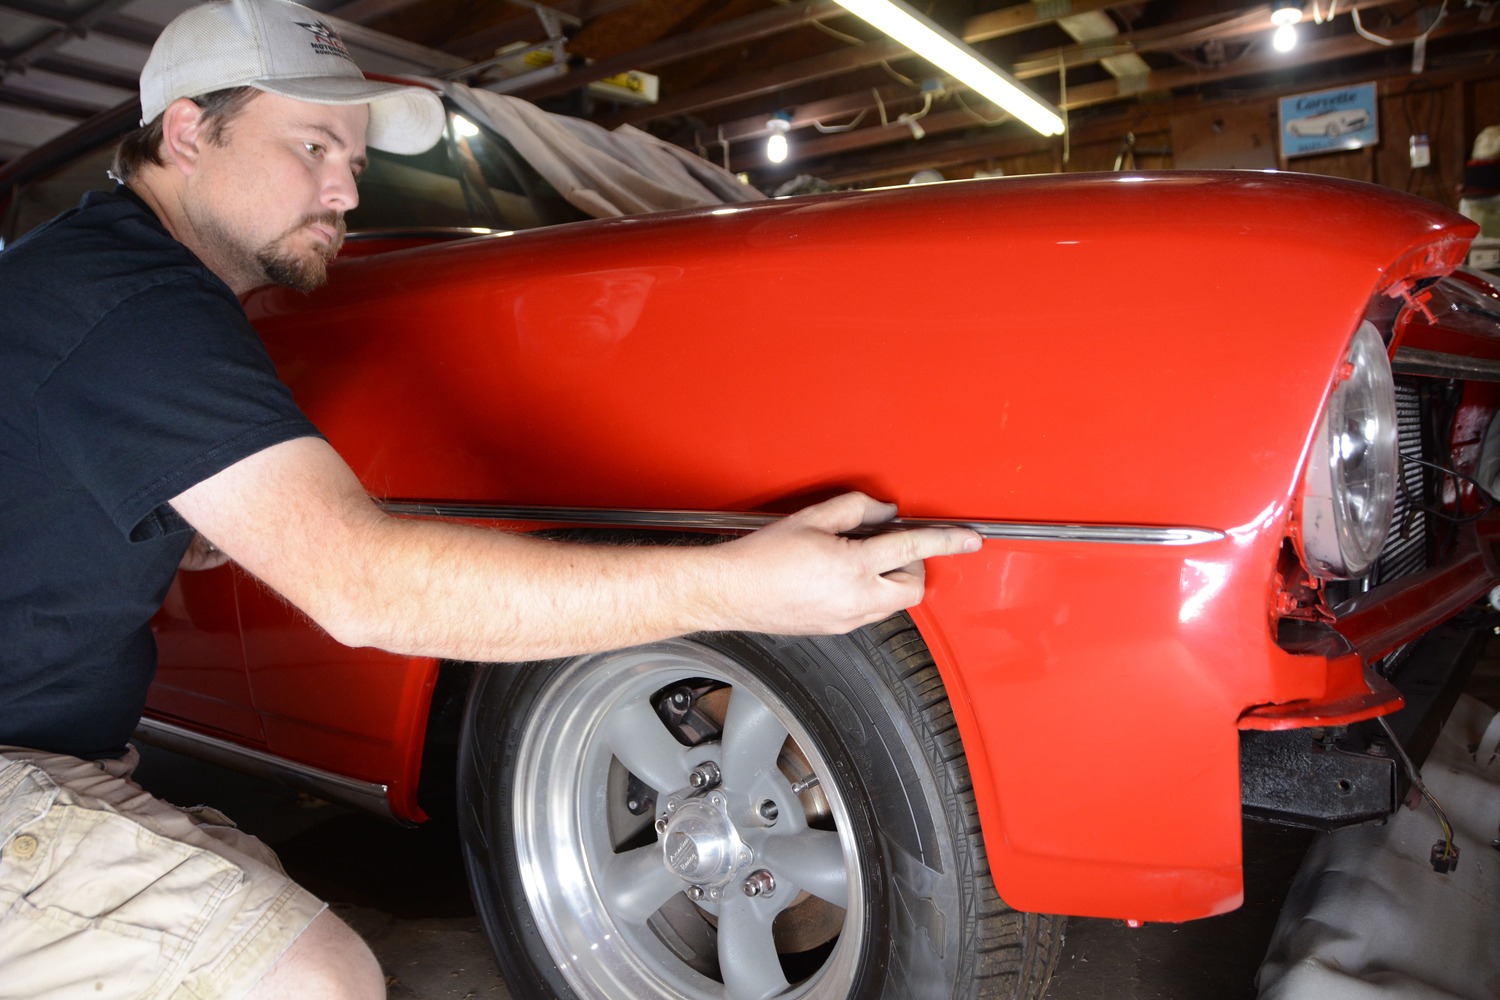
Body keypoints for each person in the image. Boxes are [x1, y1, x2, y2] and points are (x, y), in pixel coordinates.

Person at [0, 0, 980, 996]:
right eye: (311, 145)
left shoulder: (108, 275)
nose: (346, 189)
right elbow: (365, 591)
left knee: (242, 901)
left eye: (358, 159)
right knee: (314, 977)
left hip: (59, 749)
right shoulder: (139, 305)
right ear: (185, 133)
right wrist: (742, 588)